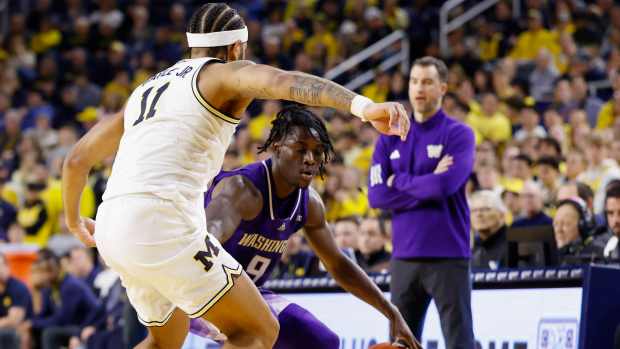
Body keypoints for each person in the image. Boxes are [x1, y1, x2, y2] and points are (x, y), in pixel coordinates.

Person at [61, 3, 411, 349]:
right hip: (162, 221)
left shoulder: (146, 91)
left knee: (163, 342)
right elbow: (284, 82)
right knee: (259, 332)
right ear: (236, 47)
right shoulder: (221, 74)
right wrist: (364, 107)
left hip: (112, 226)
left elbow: (77, 159)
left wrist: (76, 222)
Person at [190, 106, 419, 349]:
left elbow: (338, 264)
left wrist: (391, 312)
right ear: (277, 147)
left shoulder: (310, 203)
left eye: (317, 152)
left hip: (251, 293)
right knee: (257, 331)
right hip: (200, 284)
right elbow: (203, 241)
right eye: (300, 150)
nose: (310, 159)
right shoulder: (242, 190)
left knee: (322, 342)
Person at [368, 56, 476, 348]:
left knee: (459, 341)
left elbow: (444, 186)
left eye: (427, 82)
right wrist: (426, 182)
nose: (419, 88)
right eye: (414, 81)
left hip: (449, 255)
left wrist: (398, 181)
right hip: (403, 256)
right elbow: (377, 196)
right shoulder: (388, 137)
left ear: (443, 88)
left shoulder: (459, 134)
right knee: (399, 344)